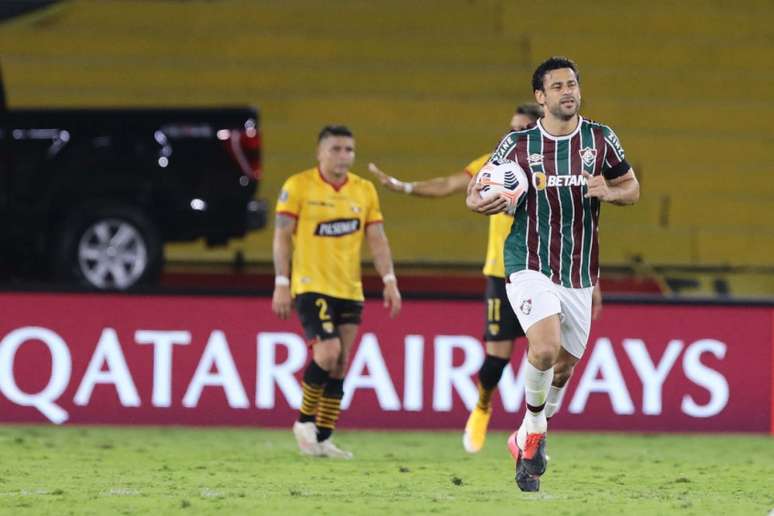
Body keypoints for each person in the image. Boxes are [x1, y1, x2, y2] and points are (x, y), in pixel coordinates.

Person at [369, 104, 602, 456]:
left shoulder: (559, 164)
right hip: (504, 271)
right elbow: (450, 184)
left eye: (521, 127)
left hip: (554, 271)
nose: (513, 134)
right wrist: (403, 186)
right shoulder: (494, 164)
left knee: (553, 358)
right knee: (497, 358)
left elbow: (579, 225)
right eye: (511, 127)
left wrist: (592, 282)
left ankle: (531, 434)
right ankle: (482, 407)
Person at [466, 56, 639, 491]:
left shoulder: (601, 139)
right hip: (529, 262)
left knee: (561, 371)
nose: (568, 92)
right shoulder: (518, 145)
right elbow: (475, 193)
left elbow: (632, 188)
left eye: (572, 84)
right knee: (543, 351)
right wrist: (483, 201)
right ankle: (537, 433)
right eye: (557, 86)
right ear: (541, 97)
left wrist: (610, 192)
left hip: (579, 270)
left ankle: (525, 434)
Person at [272, 125, 402, 459]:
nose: (343, 156)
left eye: (349, 150)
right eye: (336, 149)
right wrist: (282, 282)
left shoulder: (364, 190)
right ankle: (303, 422)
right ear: (320, 152)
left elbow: (377, 238)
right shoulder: (298, 186)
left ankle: (323, 438)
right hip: (310, 285)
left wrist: (389, 279)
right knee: (327, 353)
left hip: (349, 288)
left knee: (341, 363)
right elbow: (282, 236)